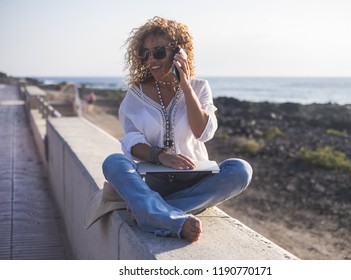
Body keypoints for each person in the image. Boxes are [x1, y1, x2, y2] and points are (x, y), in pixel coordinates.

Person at [102, 16, 252, 242]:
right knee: (113, 162)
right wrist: (160, 156)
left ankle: (152, 212)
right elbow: (131, 141)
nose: (151, 59)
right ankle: (163, 211)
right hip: (154, 183)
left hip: (196, 180)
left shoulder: (200, 87)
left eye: (159, 52)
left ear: (179, 53)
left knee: (241, 169)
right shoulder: (136, 94)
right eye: (145, 54)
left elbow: (204, 132)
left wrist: (185, 85)